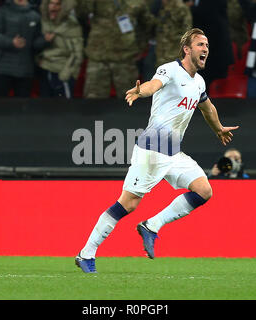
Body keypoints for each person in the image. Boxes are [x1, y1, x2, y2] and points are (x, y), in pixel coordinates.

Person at [75, 28, 239, 273]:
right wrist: (141, 91)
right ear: (187, 49)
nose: (205, 49)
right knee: (128, 204)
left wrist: (218, 129)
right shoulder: (170, 70)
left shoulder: (199, 81)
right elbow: (154, 84)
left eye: (207, 45)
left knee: (204, 190)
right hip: (152, 150)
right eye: (200, 44)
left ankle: (151, 226)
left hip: (173, 153)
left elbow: (207, 107)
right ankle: (85, 254)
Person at [76, 0, 155, 99]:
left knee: (130, 102)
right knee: (93, 103)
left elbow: (147, 24)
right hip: (98, 57)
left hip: (125, 58)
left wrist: (140, 46)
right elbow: (81, 13)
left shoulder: (137, 2)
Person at [0, 0, 48, 97]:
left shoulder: (35, 16)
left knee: (22, 108)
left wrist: (45, 40)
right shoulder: (0, 12)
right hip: (2, 68)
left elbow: (35, 43)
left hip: (25, 69)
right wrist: (11, 42)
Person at [37, 0, 83, 98]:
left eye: (57, 4)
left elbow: (77, 54)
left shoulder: (71, 24)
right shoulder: (42, 22)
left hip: (63, 72)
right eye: (51, 3)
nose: (53, 7)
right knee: (44, 108)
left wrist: (66, 74)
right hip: (45, 71)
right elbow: (35, 45)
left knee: (64, 109)